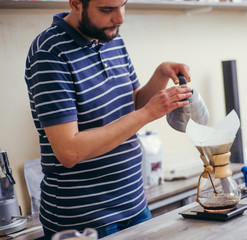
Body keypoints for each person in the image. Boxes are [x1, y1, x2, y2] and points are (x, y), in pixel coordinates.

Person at [24, 0, 192, 239]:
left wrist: (160, 74)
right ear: (75, 4)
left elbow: (130, 105)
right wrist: (147, 113)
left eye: (123, 5)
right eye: (106, 10)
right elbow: (69, 151)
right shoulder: (49, 53)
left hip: (135, 204)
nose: (120, 18)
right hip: (86, 221)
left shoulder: (111, 38)